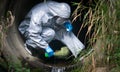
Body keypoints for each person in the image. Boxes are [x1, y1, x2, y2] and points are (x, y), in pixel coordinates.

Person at [18, 1, 85, 59]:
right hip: (29, 30)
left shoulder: (57, 9)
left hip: (45, 27)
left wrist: (67, 23)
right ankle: (30, 46)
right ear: (57, 15)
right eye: (63, 19)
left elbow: (58, 21)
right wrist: (46, 47)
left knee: (64, 32)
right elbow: (33, 33)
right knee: (50, 33)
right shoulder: (39, 14)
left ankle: (80, 52)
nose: (64, 20)